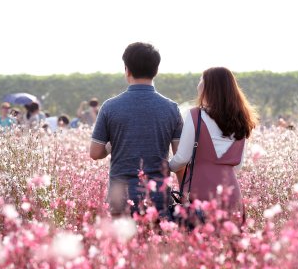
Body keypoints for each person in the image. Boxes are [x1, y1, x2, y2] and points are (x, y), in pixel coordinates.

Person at [90, 42, 183, 218]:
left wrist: (112, 143)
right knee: (158, 245)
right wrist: (185, 195)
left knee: (122, 245)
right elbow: (180, 158)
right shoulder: (171, 108)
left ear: (127, 70)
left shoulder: (110, 107)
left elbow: (95, 153)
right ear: (156, 70)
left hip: (120, 198)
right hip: (159, 199)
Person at [169, 67, 258, 225]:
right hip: (231, 192)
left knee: (201, 241)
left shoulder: (196, 116)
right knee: (230, 243)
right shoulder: (241, 119)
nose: (198, 85)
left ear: (209, 87)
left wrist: (165, 166)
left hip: (200, 192)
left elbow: (182, 158)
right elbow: (237, 165)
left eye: (201, 80)